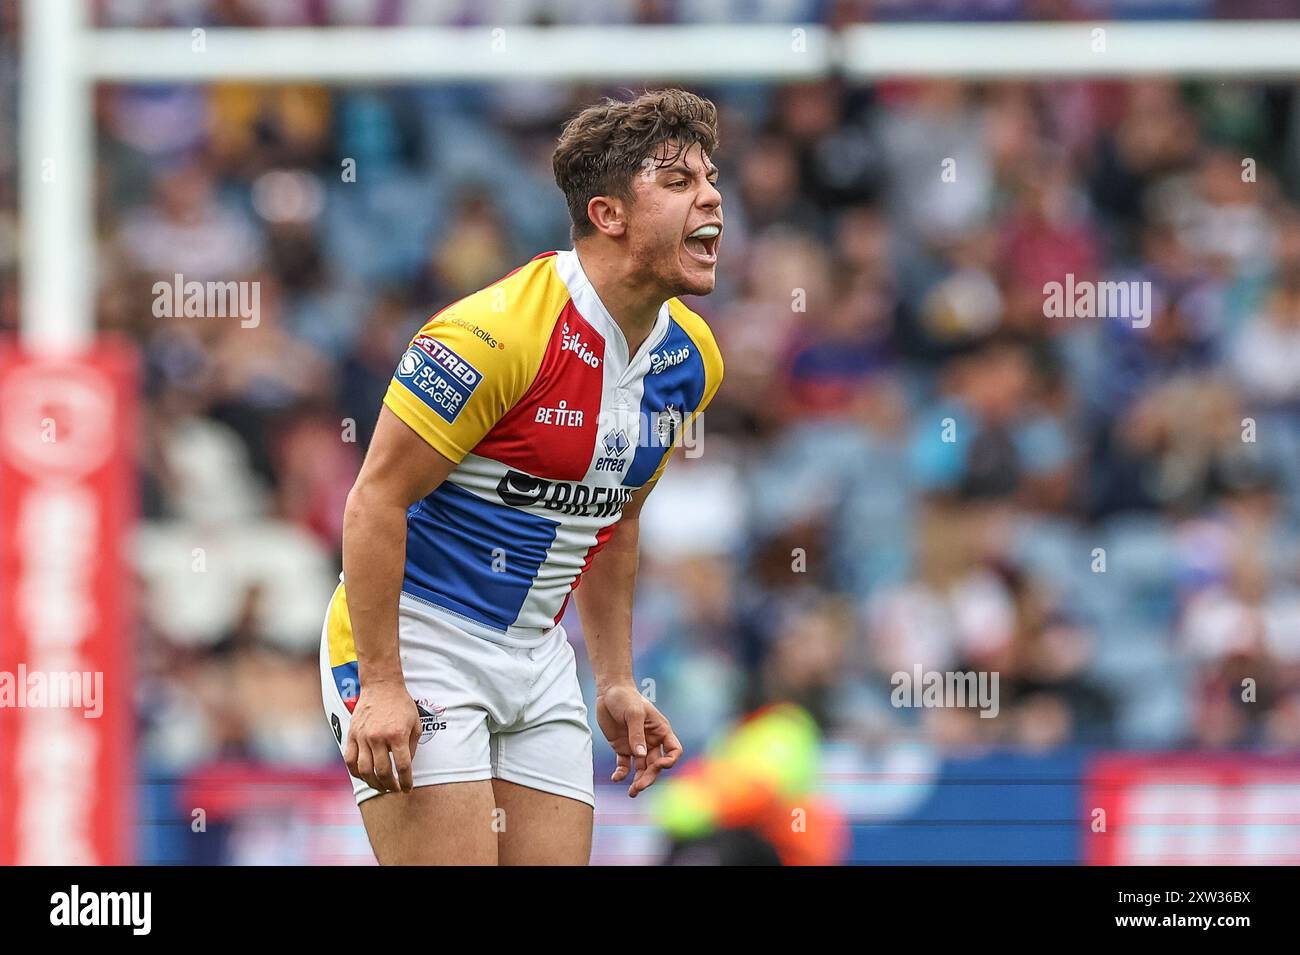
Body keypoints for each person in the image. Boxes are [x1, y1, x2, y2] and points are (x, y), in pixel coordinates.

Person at [318, 88, 726, 864]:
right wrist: (382, 682)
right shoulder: (492, 334)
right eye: (678, 183)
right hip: (420, 639)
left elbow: (615, 520)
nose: (711, 197)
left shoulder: (693, 359)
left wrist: (614, 679)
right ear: (608, 215)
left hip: (538, 656)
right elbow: (375, 500)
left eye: (710, 180)